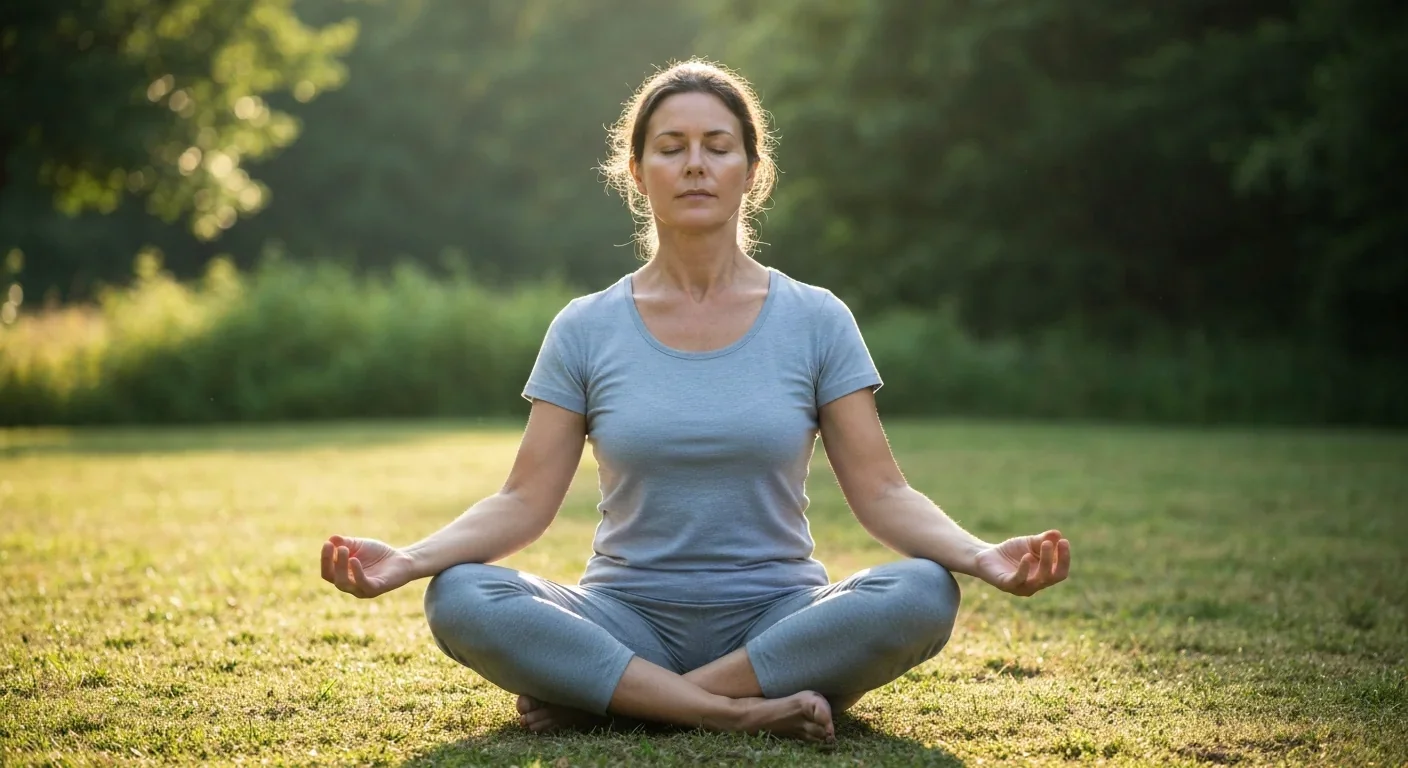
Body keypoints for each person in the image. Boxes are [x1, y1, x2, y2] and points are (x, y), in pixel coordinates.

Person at [318, 59, 1071, 744]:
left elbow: (882, 492)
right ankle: (731, 709)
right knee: (459, 596)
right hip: (623, 619)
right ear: (637, 173)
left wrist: (981, 557)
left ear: (752, 171)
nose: (695, 165)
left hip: (779, 620)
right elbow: (523, 501)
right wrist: (409, 561)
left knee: (923, 590)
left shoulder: (817, 318)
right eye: (670, 147)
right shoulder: (585, 327)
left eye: (718, 146)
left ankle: (624, 700)